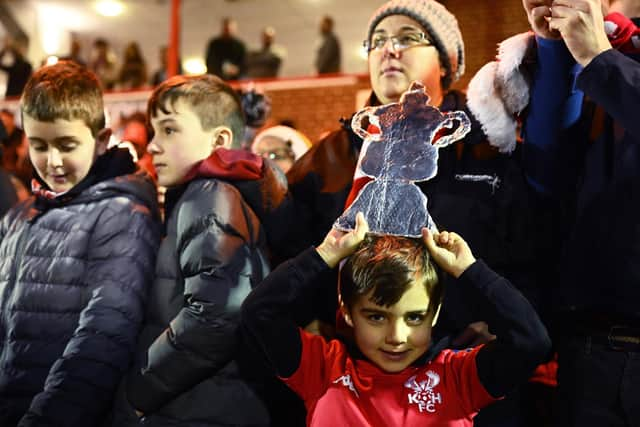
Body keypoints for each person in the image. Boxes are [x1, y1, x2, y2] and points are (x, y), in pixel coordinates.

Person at [241, 212, 551, 426]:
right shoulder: (322, 369)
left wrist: (469, 269)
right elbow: (260, 312)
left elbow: (531, 341)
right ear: (346, 310)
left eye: (415, 317)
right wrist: (323, 255)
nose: (397, 336)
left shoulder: (460, 378)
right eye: (376, 317)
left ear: (436, 312)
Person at [112, 74, 293, 426]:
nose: (152, 145)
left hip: (197, 406)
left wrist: (138, 393)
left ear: (219, 140)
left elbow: (216, 315)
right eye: (153, 131)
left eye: (169, 130)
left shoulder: (210, 196)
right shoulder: (203, 196)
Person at [0, 60, 160, 426]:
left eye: (66, 144)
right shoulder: (19, 216)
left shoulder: (122, 215)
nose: (52, 161)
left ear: (101, 141)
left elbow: (102, 339)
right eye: (39, 145)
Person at [521, 0, 640, 425]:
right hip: (590, 352)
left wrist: (600, 58)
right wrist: (554, 50)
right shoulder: (600, 46)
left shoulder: (607, 55)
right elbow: (548, 173)